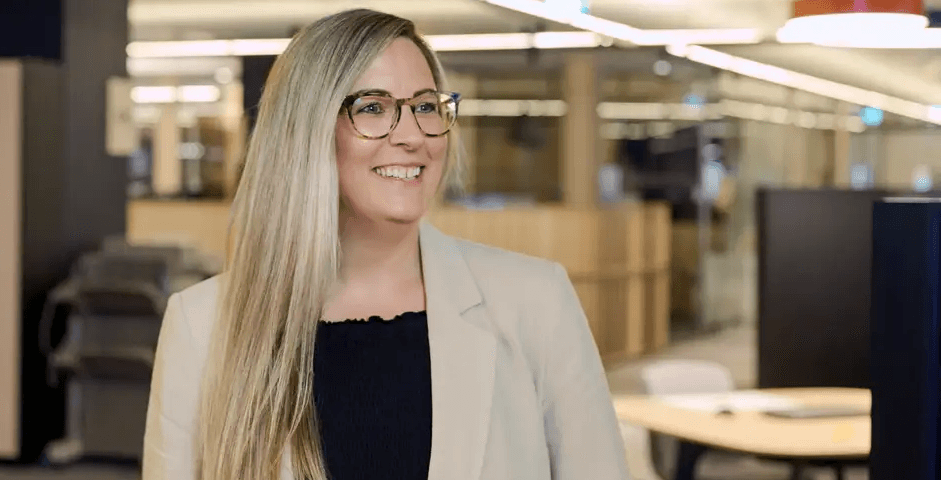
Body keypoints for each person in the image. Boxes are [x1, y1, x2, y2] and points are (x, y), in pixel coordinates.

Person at [142, 8, 629, 480]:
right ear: (306, 131)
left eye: (424, 106)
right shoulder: (201, 327)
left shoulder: (535, 302)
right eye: (373, 108)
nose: (413, 136)